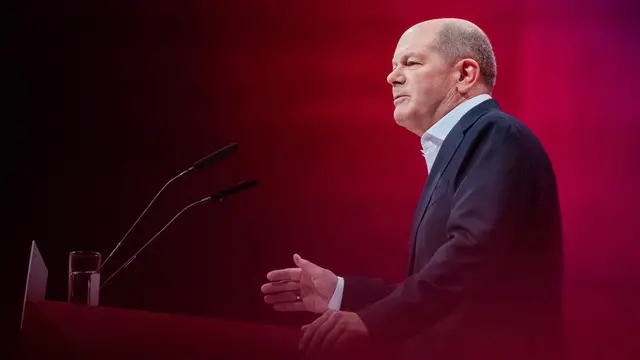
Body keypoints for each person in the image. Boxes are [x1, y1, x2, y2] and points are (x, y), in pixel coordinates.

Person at [261, 18, 563, 360]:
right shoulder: (467, 144)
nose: (392, 77)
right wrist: (340, 292)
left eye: (411, 62)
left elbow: (469, 258)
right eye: (393, 66)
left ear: (465, 74)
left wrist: (372, 322)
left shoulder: (495, 134)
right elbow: (442, 285)